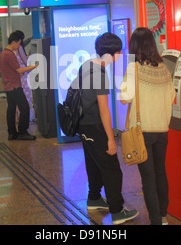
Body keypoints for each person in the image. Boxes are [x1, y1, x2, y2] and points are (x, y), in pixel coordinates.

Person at [76, 32, 139, 225]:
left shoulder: (86, 65)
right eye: (119, 50)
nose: (121, 54)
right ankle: (117, 211)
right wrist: (111, 138)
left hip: (82, 125)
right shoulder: (100, 75)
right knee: (112, 169)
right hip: (95, 125)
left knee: (93, 164)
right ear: (111, 52)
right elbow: (104, 111)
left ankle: (94, 198)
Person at [119, 27, 176, 225]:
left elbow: (124, 98)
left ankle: (155, 221)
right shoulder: (163, 68)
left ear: (134, 46)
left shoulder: (134, 68)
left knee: (148, 177)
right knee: (161, 172)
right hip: (162, 130)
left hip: (142, 132)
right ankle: (162, 215)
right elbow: (172, 97)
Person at [0, 31, 38, 141]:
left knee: (11, 109)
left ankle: (12, 133)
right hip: (15, 86)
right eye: (19, 43)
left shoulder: (2, 54)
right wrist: (33, 66)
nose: (19, 46)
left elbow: (10, 70)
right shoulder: (10, 54)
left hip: (7, 86)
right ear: (14, 42)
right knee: (24, 107)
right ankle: (22, 132)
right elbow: (20, 70)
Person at [14, 30, 36, 122]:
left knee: (19, 97)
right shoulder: (19, 47)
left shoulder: (12, 49)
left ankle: (18, 117)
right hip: (23, 75)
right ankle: (28, 117)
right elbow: (24, 61)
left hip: (17, 75)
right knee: (27, 95)